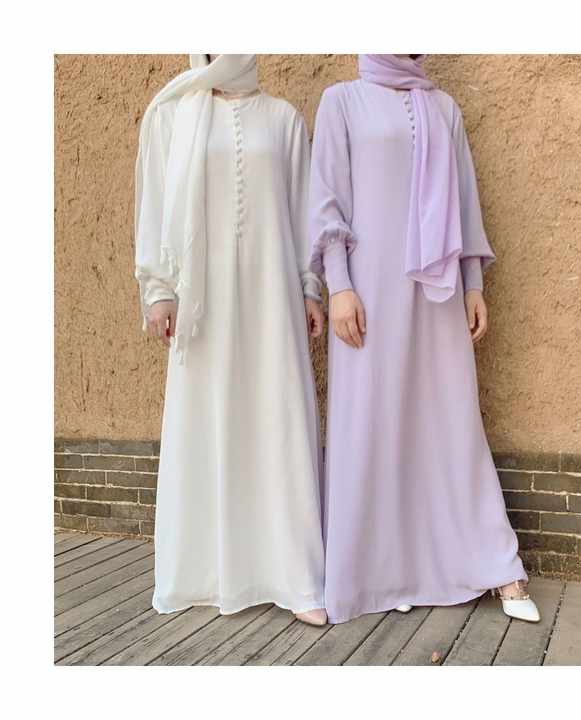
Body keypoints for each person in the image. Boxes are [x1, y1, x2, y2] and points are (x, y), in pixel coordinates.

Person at [309, 54, 539, 624]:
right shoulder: (342, 101)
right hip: (368, 291)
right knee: (373, 421)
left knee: (451, 418)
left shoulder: (444, 108)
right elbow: (327, 198)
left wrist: (473, 284)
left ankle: (496, 562)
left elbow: (464, 201)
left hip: (438, 291)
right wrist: (339, 286)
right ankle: (383, 576)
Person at [135, 54, 327, 625]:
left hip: (272, 299)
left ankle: (295, 577)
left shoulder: (284, 119)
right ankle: (206, 573)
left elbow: (304, 212)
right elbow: (156, 205)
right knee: (208, 420)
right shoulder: (173, 115)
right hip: (204, 303)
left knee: (277, 419)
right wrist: (158, 289)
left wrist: (310, 286)